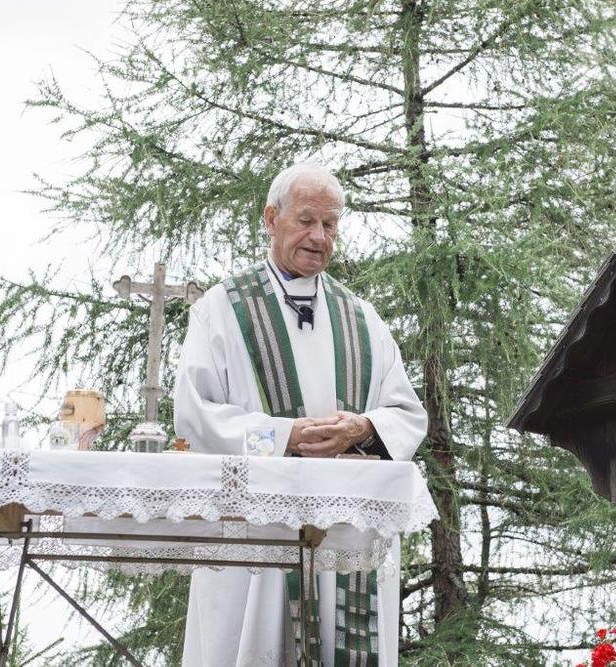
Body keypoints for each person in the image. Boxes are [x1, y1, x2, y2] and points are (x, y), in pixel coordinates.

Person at [174, 162, 428, 666]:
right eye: (306, 221)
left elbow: (406, 413)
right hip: (256, 533)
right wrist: (281, 436)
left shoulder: (361, 317)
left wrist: (362, 427)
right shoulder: (223, 309)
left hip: (342, 532)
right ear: (271, 219)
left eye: (330, 225)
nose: (319, 237)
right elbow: (196, 414)